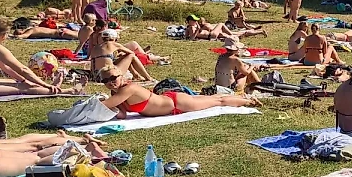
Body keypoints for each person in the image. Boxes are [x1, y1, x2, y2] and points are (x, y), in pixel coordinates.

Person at [98, 65, 258, 118]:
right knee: (212, 98)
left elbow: (103, 106)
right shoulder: (117, 93)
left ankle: (249, 101)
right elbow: (122, 114)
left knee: (218, 101)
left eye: (113, 78)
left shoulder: (128, 88)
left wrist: (97, 101)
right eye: (105, 81)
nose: (110, 82)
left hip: (177, 103)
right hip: (171, 100)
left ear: (121, 75)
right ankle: (243, 97)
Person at [0, 18, 79, 96]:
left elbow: (5, 67)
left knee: (18, 83)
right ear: (1, 34)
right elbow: (22, 69)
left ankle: (52, 88)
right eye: (6, 34)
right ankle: (67, 91)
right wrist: (44, 84)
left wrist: (24, 80)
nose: (6, 37)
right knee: (24, 88)